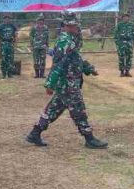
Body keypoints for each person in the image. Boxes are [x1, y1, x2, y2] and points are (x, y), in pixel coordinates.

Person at [26, 12, 108, 149]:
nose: (76, 27)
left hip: (68, 82)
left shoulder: (71, 39)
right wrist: (50, 84)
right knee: (78, 109)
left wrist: (88, 68)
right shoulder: (65, 41)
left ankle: (35, 133)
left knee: (53, 109)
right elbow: (58, 64)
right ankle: (89, 138)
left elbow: (75, 58)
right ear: (66, 26)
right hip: (67, 83)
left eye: (76, 25)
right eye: (73, 25)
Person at [114, 13, 134, 77]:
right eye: (124, 17)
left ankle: (127, 71)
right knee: (121, 57)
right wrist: (117, 43)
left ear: (129, 18)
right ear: (122, 18)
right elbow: (115, 34)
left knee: (129, 57)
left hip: (129, 43)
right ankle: (122, 72)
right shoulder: (119, 25)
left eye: (127, 17)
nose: (126, 18)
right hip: (121, 43)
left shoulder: (131, 25)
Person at [0, 13, 18, 78]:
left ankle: (10, 74)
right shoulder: (1, 26)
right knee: (3, 59)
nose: (7, 19)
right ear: (3, 19)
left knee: (10, 59)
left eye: (8, 18)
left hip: (10, 44)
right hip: (3, 44)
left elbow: (16, 35)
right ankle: (3, 74)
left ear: (10, 19)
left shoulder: (12, 26)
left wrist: (15, 45)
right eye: (5, 18)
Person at [29, 14, 49, 78]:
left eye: (42, 20)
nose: (41, 21)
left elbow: (47, 37)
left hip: (43, 46)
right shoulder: (34, 28)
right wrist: (31, 45)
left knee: (43, 60)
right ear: (37, 21)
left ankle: (42, 74)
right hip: (36, 47)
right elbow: (31, 37)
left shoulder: (46, 28)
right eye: (39, 20)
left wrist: (47, 45)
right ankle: (37, 74)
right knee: (36, 60)